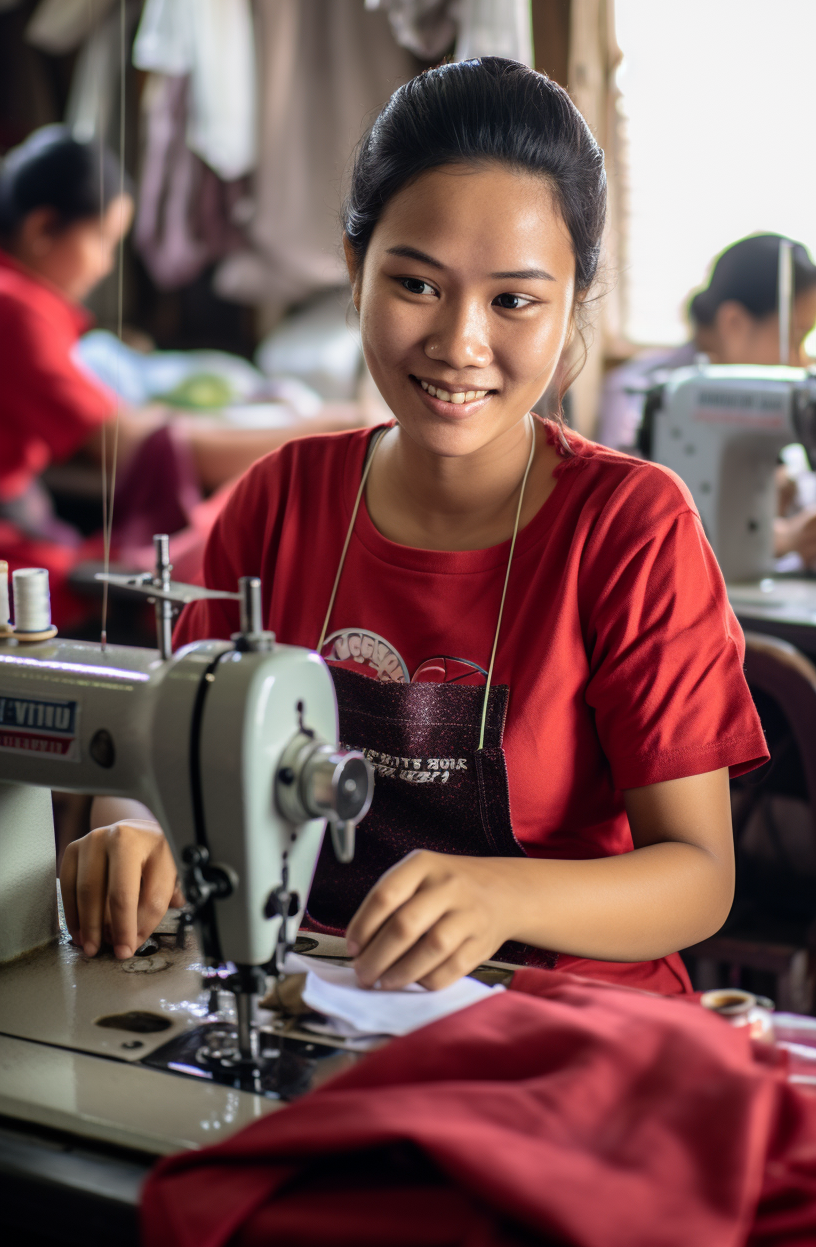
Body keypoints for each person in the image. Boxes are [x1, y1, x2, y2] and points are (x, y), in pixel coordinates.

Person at [59, 59, 768, 996]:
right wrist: (135, 832)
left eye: (514, 300)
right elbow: (165, 746)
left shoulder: (632, 529)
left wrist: (501, 899)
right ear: (356, 271)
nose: (460, 343)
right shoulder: (280, 502)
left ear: (571, 307)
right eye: (418, 285)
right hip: (321, 993)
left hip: (567, 1016)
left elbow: (700, 876)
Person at [0, 125, 361, 625]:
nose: (105, 265)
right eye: (102, 240)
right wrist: (329, 427)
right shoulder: (14, 310)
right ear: (43, 229)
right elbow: (129, 444)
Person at [598, 234, 816, 565]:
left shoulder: (769, 411)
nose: (803, 361)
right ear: (735, 323)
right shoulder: (639, 392)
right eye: (796, 337)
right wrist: (781, 538)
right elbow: (627, 528)